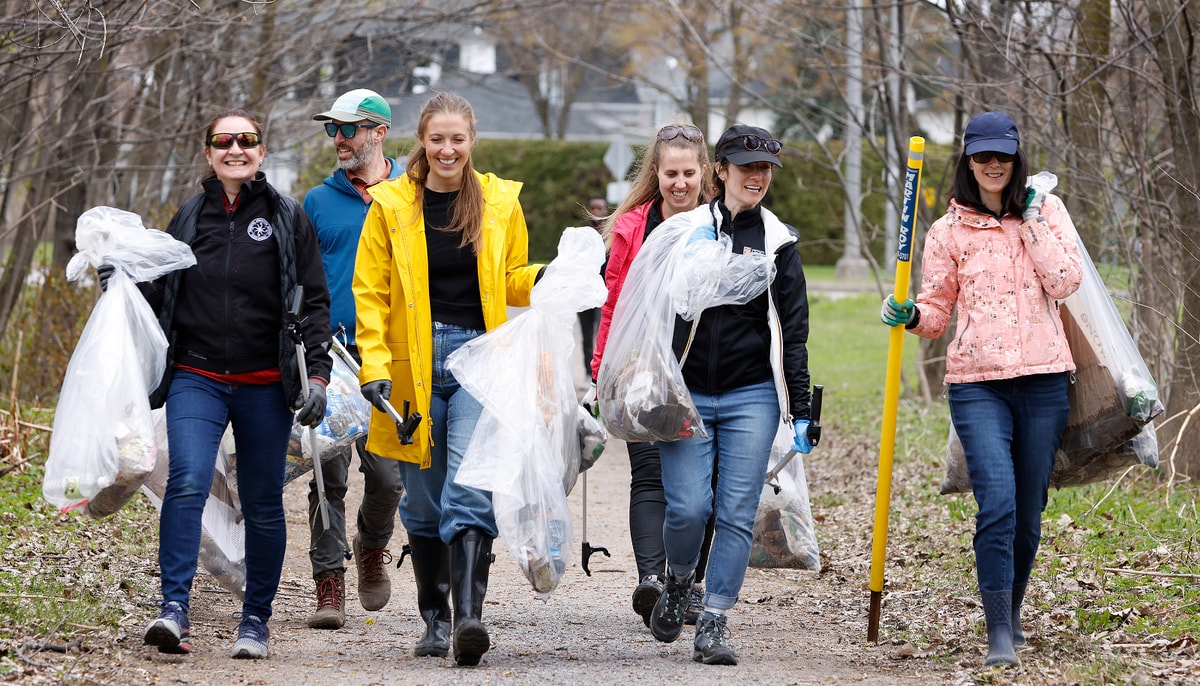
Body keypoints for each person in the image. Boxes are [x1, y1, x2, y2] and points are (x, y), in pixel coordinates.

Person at [124, 109, 331, 659]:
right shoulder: (189, 217)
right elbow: (156, 298)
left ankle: (255, 621)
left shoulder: (287, 217)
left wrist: (316, 375)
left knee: (261, 502)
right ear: (209, 152)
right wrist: (116, 281)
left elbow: (313, 300)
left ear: (262, 152)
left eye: (247, 140)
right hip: (198, 375)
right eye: (223, 141)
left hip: (266, 383)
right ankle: (173, 610)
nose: (235, 149)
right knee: (188, 482)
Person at [880, 111, 1081, 668]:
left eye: (1003, 156)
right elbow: (937, 311)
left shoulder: (1049, 212)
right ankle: (996, 633)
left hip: (1044, 380)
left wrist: (1033, 217)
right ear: (968, 161)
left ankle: (1012, 614)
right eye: (982, 156)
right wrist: (910, 312)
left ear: (1017, 158)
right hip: (976, 384)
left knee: (1029, 508)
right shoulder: (947, 232)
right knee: (996, 502)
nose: (993, 165)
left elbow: (1066, 282)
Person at [352, 91, 544, 666]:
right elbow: (371, 292)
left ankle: (469, 619)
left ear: (472, 141)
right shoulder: (391, 206)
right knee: (425, 501)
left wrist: (553, 279)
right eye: (437, 138)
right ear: (422, 141)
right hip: (411, 366)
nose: (447, 149)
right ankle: (433, 619)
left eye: (457, 139)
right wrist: (375, 367)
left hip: (478, 358)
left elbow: (511, 278)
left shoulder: (500, 204)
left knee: (468, 485)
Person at [639, 124, 814, 666]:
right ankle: (678, 579)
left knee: (735, 513)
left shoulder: (779, 242)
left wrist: (802, 410)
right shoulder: (685, 231)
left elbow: (794, 330)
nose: (756, 177)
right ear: (721, 171)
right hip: (685, 394)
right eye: (745, 167)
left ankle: (713, 619)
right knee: (689, 508)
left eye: (764, 169)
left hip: (751, 397)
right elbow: (647, 309)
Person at [584, 124, 718, 630]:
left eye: (688, 173)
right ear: (655, 174)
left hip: (705, 372)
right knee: (650, 475)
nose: (679, 183)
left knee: (702, 486)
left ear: (703, 172)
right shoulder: (632, 227)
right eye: (670, 174)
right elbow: (613, 300)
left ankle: (691, 584)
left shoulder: (720, 223)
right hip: (643, 368)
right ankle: (653, 581)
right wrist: (602, 370)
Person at [301, 88, 406, 630]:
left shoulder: (413, 194)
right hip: (332, 357)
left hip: (392, 357)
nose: (339, 139)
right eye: (333, 130)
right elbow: (297, 279)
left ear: (379, 133)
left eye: (349, 129)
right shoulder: (317, 203)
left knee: (389, 479)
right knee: (327, 473)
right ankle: (328, 581)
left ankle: (370, 546)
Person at [576, 195, 607, 378]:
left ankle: (600, 372)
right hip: (584, 293)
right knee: (586, 333)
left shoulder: (610, 234)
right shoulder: (582, 235)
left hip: (604, 293)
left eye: (599, 208)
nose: (596, 212)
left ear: (605, 210)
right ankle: (588, 372)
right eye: (592, 208)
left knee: (601, 332)